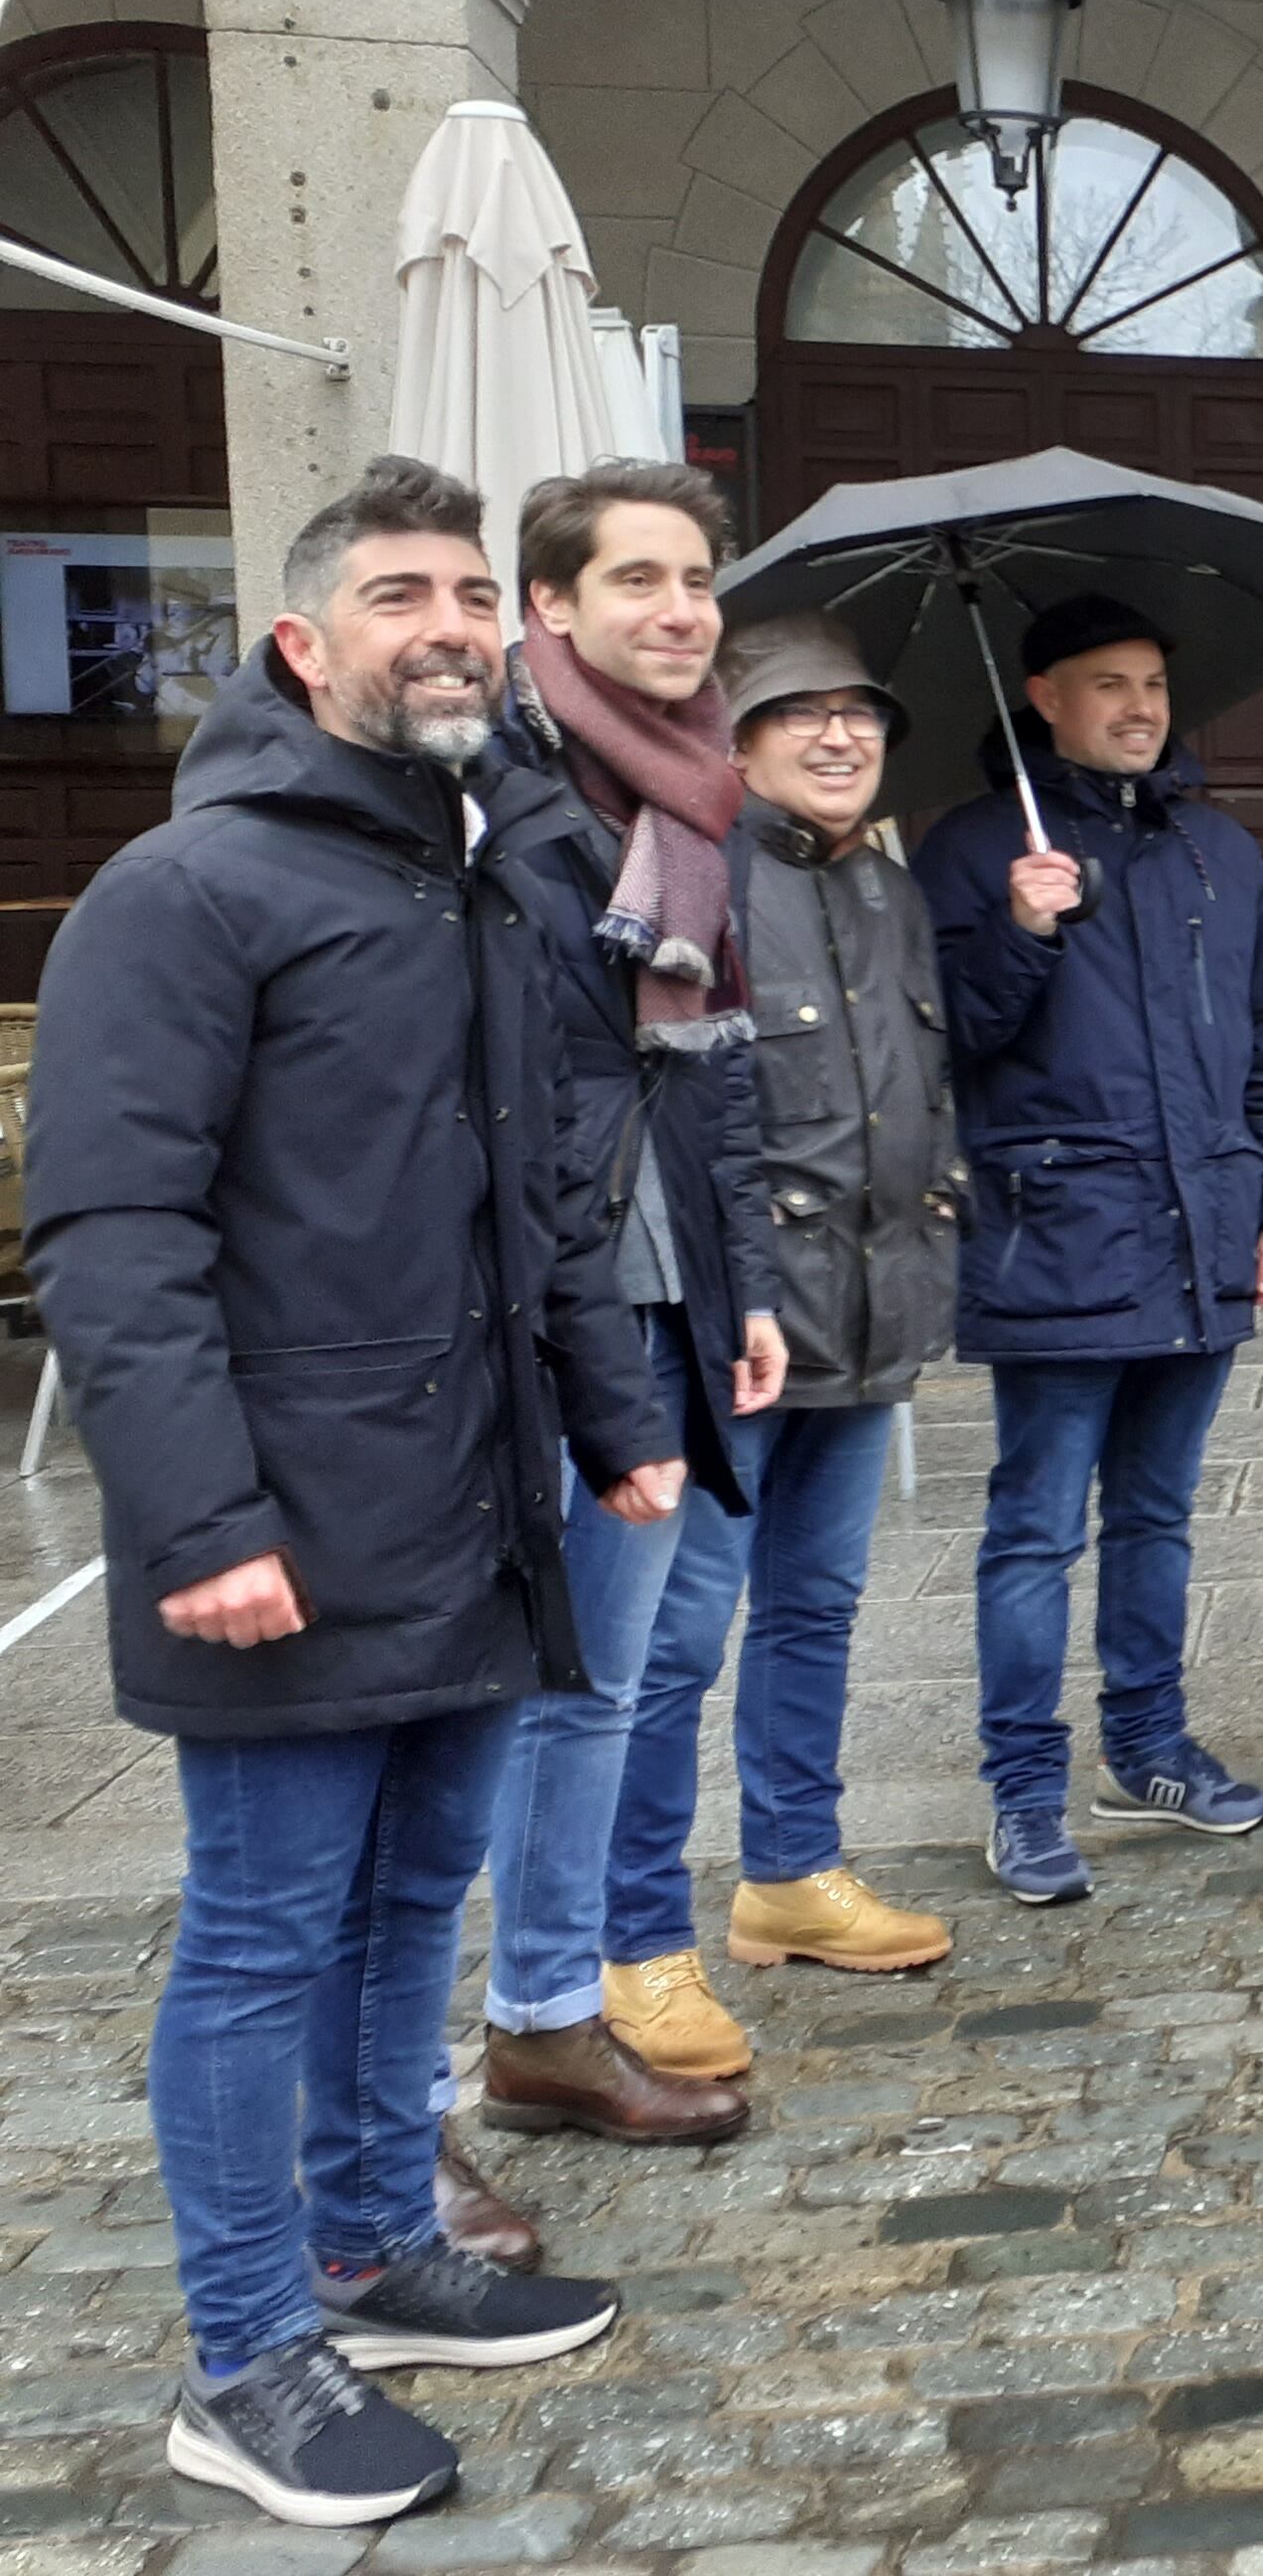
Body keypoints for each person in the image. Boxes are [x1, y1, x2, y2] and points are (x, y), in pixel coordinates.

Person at [28, 456, 681, 2527]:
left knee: (414, 1904)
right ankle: (246, 2362)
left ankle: (373, 2246)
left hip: (470, 1505)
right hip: (285, 1528)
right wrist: (201, 1523)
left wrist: (613, 1415)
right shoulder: (190, 889)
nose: (453, 623)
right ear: (304, 644)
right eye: (402, 592)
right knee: (260, 1939)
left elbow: (547, 1196)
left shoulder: (486, 878)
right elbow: (114, 1233)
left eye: (475, 593)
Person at [593, 615, 964, 2078]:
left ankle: (791, 1876)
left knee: (818, 1609)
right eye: (799, 717)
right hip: (731, 1324)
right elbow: (687, 1116)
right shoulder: (695, 872)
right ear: (736, 744)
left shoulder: (890, 884)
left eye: (859, 717)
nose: (838, 737)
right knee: (673, 1643)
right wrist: (721, 1293)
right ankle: (632, 1943)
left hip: (872, 1306)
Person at [464, 462, 781, 2157]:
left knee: (649, 1657)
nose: (676, 609)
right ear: (552, 609)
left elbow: (700, 1082)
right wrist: (602, 1357)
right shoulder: (516, 805)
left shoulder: (691, 797)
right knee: (575, 1681)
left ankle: (571, 1992)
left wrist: (743, 1286)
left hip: (675, 1291)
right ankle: (542, 2013)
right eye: (636, 580)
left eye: (695, 579)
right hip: (576, 1304)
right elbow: (539, 1113)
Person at [914, 593, 1263, 1902]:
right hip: (1057, 1233)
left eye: (1152, 681)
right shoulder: (972, 851)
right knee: (1036, 1529)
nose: (1140, 706)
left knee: (1158, 1514)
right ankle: (1025, 1790)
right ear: (1042, 696)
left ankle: (1147, 1745)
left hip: (1201, 1227)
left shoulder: (1215, 849)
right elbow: (948, 1048)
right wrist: (1022, 933)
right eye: (1106, 684)